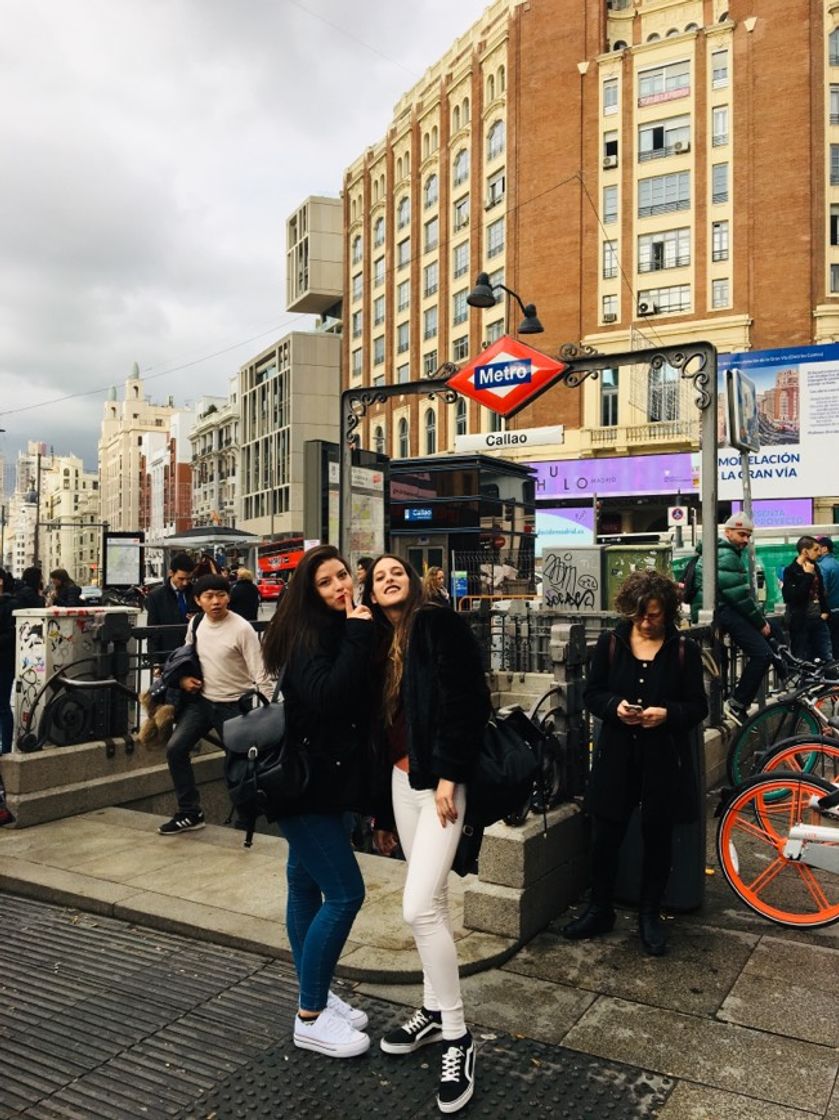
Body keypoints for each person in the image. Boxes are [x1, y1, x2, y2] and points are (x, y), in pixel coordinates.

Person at [363, 554, 490, 1115]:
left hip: (439, 783)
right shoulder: (377, 640)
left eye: (396, 573)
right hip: (400, 782)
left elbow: (468, 701)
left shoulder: (437, 622)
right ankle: (434, 1011)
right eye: (377, 577)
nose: (387, 580)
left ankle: (459, 1035)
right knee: (431, 900)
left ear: (412, 581)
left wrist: (449, 774)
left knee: (418, 910)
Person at [261, 544, 376, 1059]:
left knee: (303, 885)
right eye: (326, 582)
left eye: (343, 576)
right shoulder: (308, 638)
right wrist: (357, 632)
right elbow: (329, 696)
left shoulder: (332, 629)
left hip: (324, 781)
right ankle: (309, 1015)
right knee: (346, 893)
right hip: (303, 786)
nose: (340, 586)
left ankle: (318, 993)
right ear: (309, 593)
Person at [563, 570, 707, 956]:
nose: (646, 622)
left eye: (655, 615)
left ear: (668, 613)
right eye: (640, 615)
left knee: (657, 835)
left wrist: (668, 714)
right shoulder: (612, 643)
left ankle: (649, 913)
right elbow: (592, 695)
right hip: (617, 753)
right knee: (606, 833)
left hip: (663, 757)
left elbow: (698, 707)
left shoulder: (683, 651)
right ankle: (600, 908)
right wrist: (615, 707)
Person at [158, 573, 271, 836]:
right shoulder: (196, 622)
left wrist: (267, 713)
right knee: (175, 749)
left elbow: (261, 673)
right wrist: (184, 679)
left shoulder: (242, 628)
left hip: (234, 708)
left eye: (221, 595)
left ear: (228, 597)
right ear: (198, 600)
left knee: (238, 766)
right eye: (208, 596)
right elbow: (185, 656)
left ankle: (246, 821)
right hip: (202, 703)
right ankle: (190, 811)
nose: (216, 601)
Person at [692, 513, 775, 726]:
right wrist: (760, 623)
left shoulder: (722, 552)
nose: (746, 540)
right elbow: (737, 595)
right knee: (762, 653)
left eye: (748, 535)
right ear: (727, 532)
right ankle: (736, 704)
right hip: (724, 612)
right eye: (741, 534)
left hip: (718, 614)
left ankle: (721, 707)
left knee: (721, 663)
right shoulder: (726, 555)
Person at [782, 536, 831, 663]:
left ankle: (829, 682)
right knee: (802, 659)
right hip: (801, 621)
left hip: (818, 619)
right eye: (815, 550)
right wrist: (808, 575)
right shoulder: (791, 571)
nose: (819, 553)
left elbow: (821, 591)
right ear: (805, 551)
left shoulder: (815, 567)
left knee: (826, 656)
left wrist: (825, 612)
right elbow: (793, 597)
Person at [146, 553, 196, 665]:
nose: (185, 583)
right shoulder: (156, 596)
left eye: (189, 579)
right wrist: (154, 660)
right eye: (181, 578)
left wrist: (198, 618)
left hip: (193, 654)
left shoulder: (196, 592)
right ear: (171, 573)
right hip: (168, 655)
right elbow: (153, 629)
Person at [0, 569, 16, 754]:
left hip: (4, 663)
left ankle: (5, 751)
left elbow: (11, 635)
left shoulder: (11, 605)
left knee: (3, 706)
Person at [816, 536, 839, 659]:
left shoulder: (822, 566)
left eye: (817, 548)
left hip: (829, 612)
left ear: (824, 548)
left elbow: (822, 591)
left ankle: (831, 672)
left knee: (827, 645)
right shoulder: (837, 563)